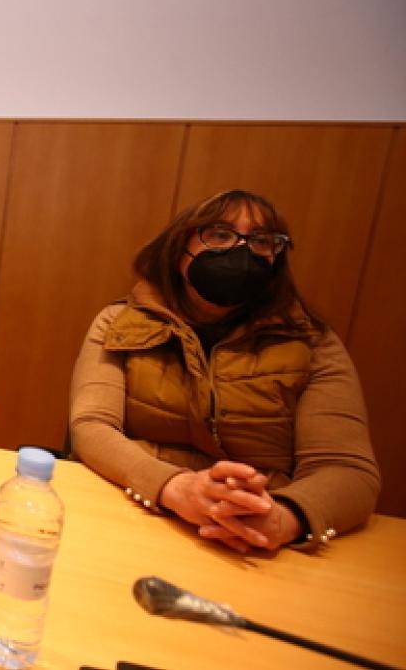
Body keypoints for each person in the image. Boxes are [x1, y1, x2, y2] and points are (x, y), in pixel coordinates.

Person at [69, 189, 380, 553]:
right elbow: (91, 426)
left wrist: (280, 517)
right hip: (136, 513)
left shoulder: (313, 344)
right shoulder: (119, 323)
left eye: (261, 240)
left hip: (254, 539)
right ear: (179, 248)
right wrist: (176, 487)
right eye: (219, 235)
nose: (241, 250)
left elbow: (349, 471)